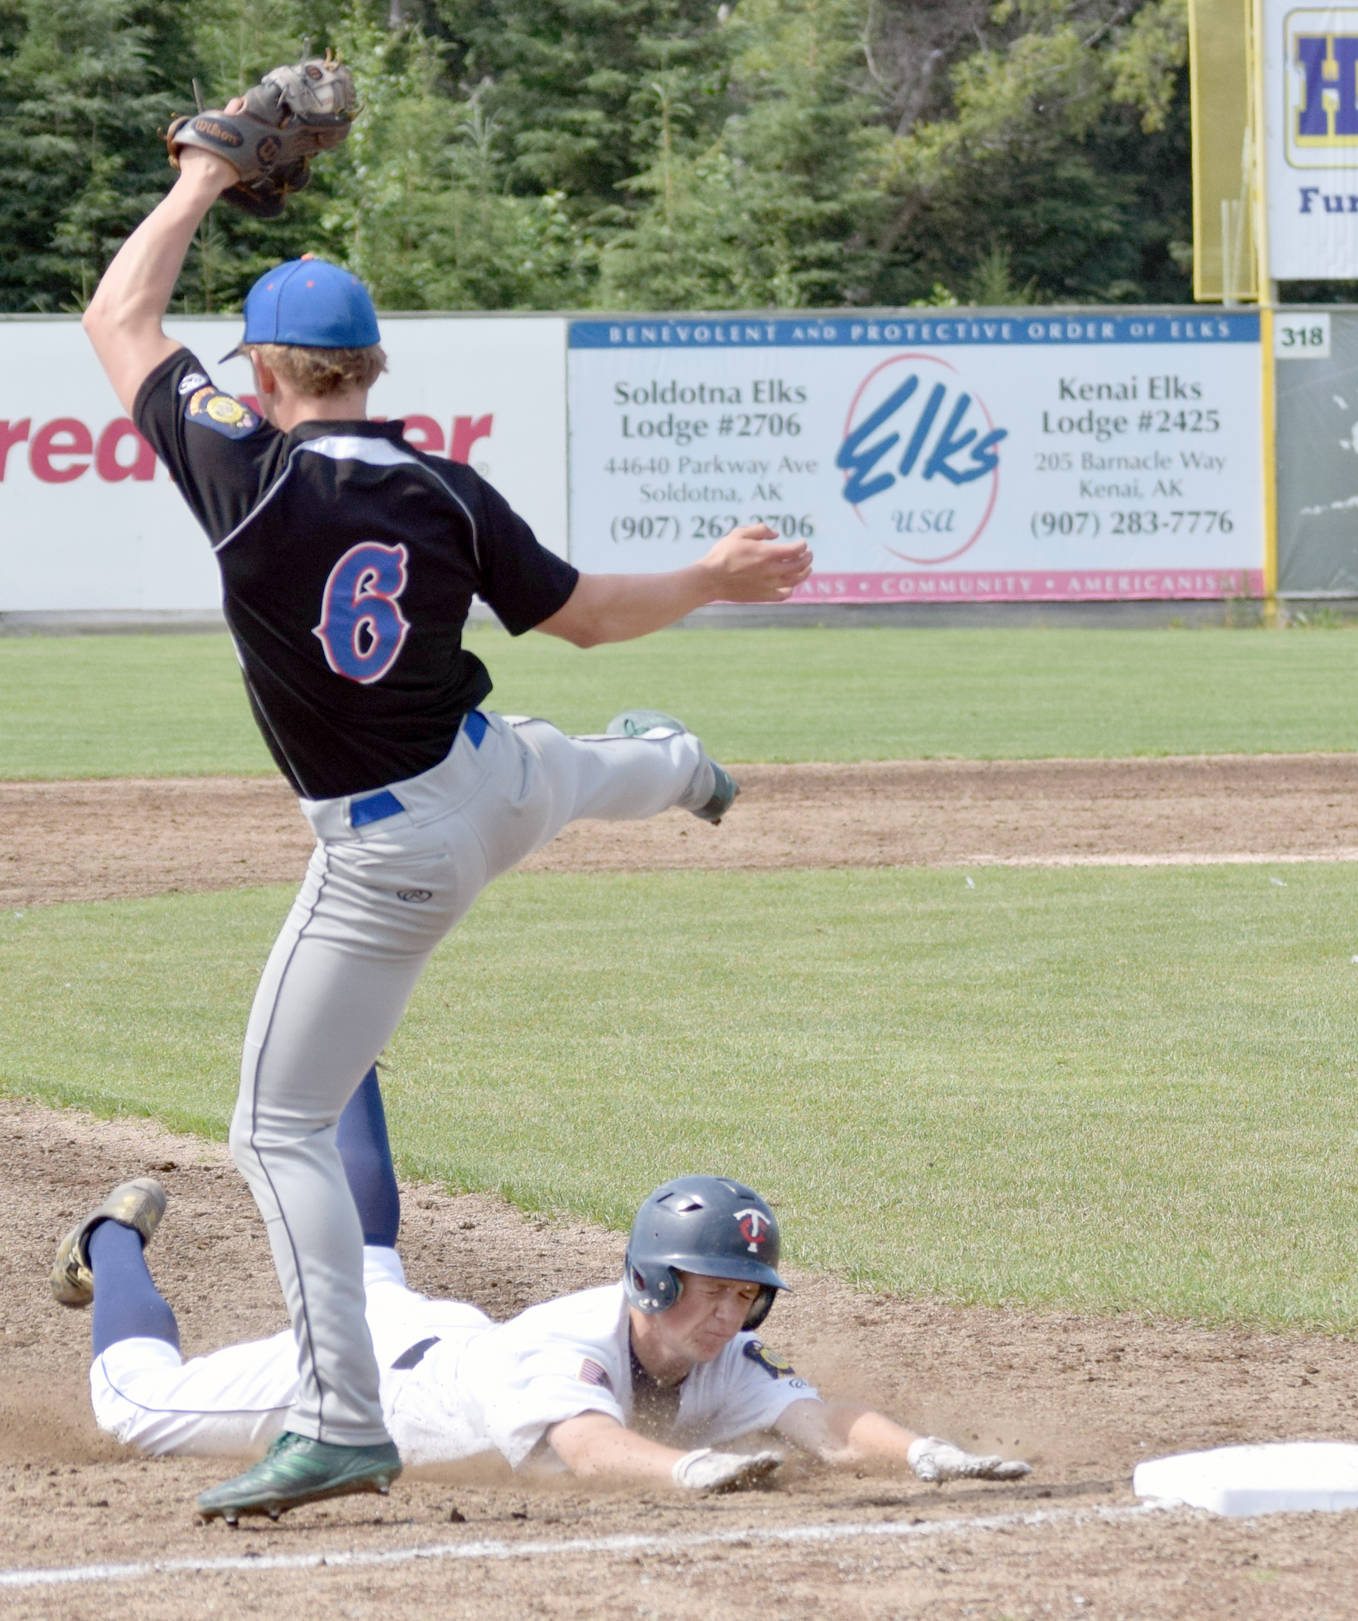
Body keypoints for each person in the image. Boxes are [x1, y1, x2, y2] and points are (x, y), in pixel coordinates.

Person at [78, 130, 812, 1521]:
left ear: (267, 373)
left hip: (391, 852)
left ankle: (339, 1420)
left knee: (271, 1126)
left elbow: (119, 317)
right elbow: (590, 619)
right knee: (572, 767)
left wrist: (200, 175)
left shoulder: (242, 473)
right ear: (372, 371)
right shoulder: (443, 487)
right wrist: (712, 577)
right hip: (489, 778)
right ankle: (681, 769)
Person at [50, 1069, 1030, 1524]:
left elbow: (820, 1420)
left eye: (745, 1296)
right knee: (132, 1403)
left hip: (436, 1340)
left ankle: (351, 1042)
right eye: (712, 1291)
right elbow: (586, 1446)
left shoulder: (707, 1353)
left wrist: (923, 1453)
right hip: (337, 1379)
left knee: (370, 1256)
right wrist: (684, 1473)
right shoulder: (571, 1346)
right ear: (650, 1280)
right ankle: (111, 1240)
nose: (731, 1315)